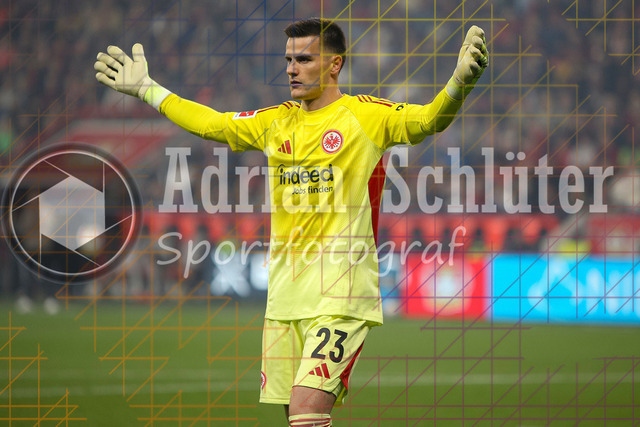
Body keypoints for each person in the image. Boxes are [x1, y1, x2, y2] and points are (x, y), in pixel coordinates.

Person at [94, 18, 488, 427]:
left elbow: (427, 121)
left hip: (341, 293)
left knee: (306, 409)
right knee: (298, 419)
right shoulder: (276, 121)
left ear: (334, 64)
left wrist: (459, 82)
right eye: (288, 60)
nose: (291, 69)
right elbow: (212, 124)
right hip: (285, 297)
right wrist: (148, 89)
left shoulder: (364, 116)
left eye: (304, 59)